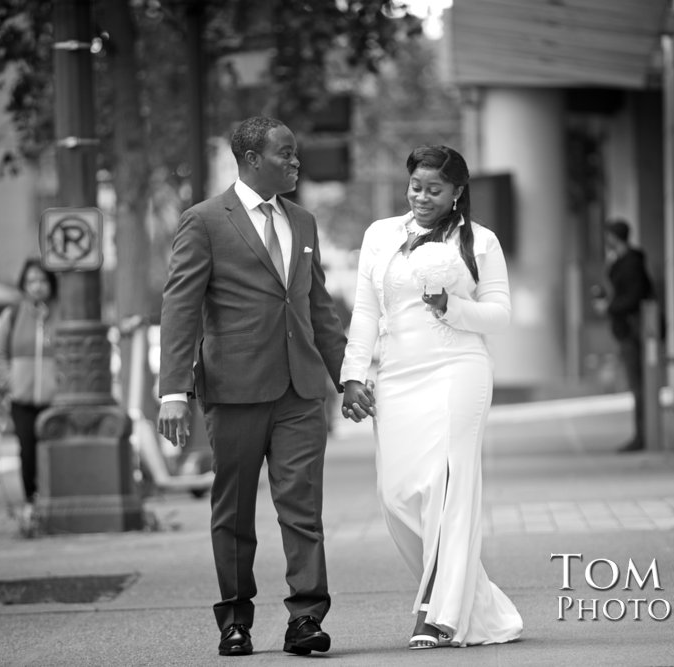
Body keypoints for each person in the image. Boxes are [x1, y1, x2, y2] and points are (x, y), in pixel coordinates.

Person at [157, 116, 348, 657]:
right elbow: (180, 308)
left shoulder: (304, 222)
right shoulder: (203, 221)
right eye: (285, 154)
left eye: (295, 154)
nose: (295, 162)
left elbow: (317, 308)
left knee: (302, 508)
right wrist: (174, 390)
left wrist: (346, 378)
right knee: (234, 511)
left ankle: (306, 618)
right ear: (251, 158)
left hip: (299, 392)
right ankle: (235, 619)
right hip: (234, 389)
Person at [339, 145, 523, 649]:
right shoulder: (380, 235)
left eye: (434, 189)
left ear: (457, 192)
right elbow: (365, 312)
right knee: (396, 494)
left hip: (456, 370)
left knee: (447, 487)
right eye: (416, 186)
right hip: (397, 375)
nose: (421, 196)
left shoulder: (480, 241)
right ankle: (479, 607)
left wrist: (451, 307)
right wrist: (353, 373)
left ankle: (438, 614)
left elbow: (501, 315)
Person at [0, 258, 59, 522]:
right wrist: (9, 381)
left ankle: (54, 499)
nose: (37, 287)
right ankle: (31, 503)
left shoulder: (62, 312)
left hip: (54, 399)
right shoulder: (14, 313)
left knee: (53, 452)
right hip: (22, 398)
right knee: (27, 451)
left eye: (42, 281)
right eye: (31, 281)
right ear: (24, 285)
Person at [594, 218, 655, 453]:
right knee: (637, 384)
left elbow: (632, 297)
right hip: (628, 330)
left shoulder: (630, 264)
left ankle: (644, 435)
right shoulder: (623, 261)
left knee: (639, 384)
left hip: (633, 331)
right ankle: (643, 433)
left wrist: (609, 307)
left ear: (613, 237)